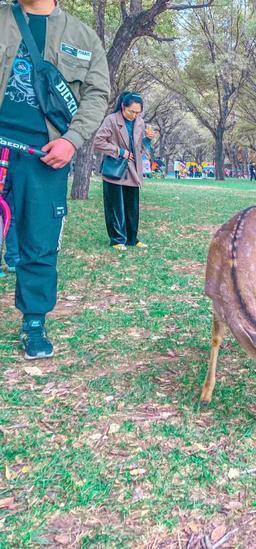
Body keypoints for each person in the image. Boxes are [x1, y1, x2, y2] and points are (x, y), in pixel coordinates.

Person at [0, 0, 109, 359]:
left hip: (45, 155)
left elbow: (97, 95)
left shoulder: (83, 36)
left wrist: (71, 140)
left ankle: (34, 323)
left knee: (39, 240)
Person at [94, 92, 155, 251]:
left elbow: (140, 147)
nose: (134, 115)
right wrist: (119, 152)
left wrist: (148, 139)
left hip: (133, 170)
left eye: (137, 112)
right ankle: (117, 239)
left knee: (132, 206)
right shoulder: (111, 120)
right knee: (115, 207)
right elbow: (98, 142)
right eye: (131, 111)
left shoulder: (140, 122)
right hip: (116, 168)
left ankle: (132, 239)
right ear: (123, 107)